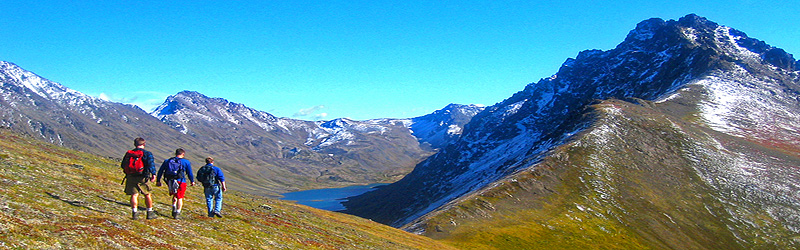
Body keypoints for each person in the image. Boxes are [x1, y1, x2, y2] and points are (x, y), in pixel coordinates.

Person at [122, 137, 157, 220]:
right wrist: (153, 174)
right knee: (147, 194)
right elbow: (150, 164)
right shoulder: (147, 153)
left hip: (131, 176)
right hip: (143, 177)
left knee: (134, 194)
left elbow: (123, 165)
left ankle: (134, 213)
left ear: (135, 144)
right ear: (144, 144)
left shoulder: (129, 153)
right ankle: (149, 212)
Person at [156, 148, 195, 219]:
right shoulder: (186, 162)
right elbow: (190, 173)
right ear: (183, 154)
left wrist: (158, 180)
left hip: (170, 180)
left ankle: (173, 207)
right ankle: (177, 212)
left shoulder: (168, 161)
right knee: (179, 197)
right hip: (181, 181)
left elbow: (160, 171)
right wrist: (192, 181)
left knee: (174, 194)